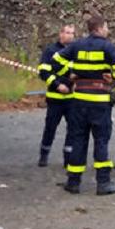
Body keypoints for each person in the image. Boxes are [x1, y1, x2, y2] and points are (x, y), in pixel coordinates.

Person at [53, 15, 115, 195]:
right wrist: (113, 77)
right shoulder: (107, 46)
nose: (107, 30)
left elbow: (55, 60)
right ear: (99, 28)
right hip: (100, 102)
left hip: (79, 101)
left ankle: (73, 182)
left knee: (78, 140)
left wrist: (71, 74)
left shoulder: (77, 45)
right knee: (101, 141)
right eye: (106, 27)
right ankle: (103, 182)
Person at [36, 24, 76, 167]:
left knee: (73, 129)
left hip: (72, 98)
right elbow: (43, 72)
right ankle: (44, 154)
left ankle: (68, 158)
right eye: (67, 32)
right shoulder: (50, 51)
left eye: (72, 33)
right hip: (55, 97)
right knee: (50, 127)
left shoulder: (76, 51)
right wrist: (57, 85)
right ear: (61, 34)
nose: (70, 36)